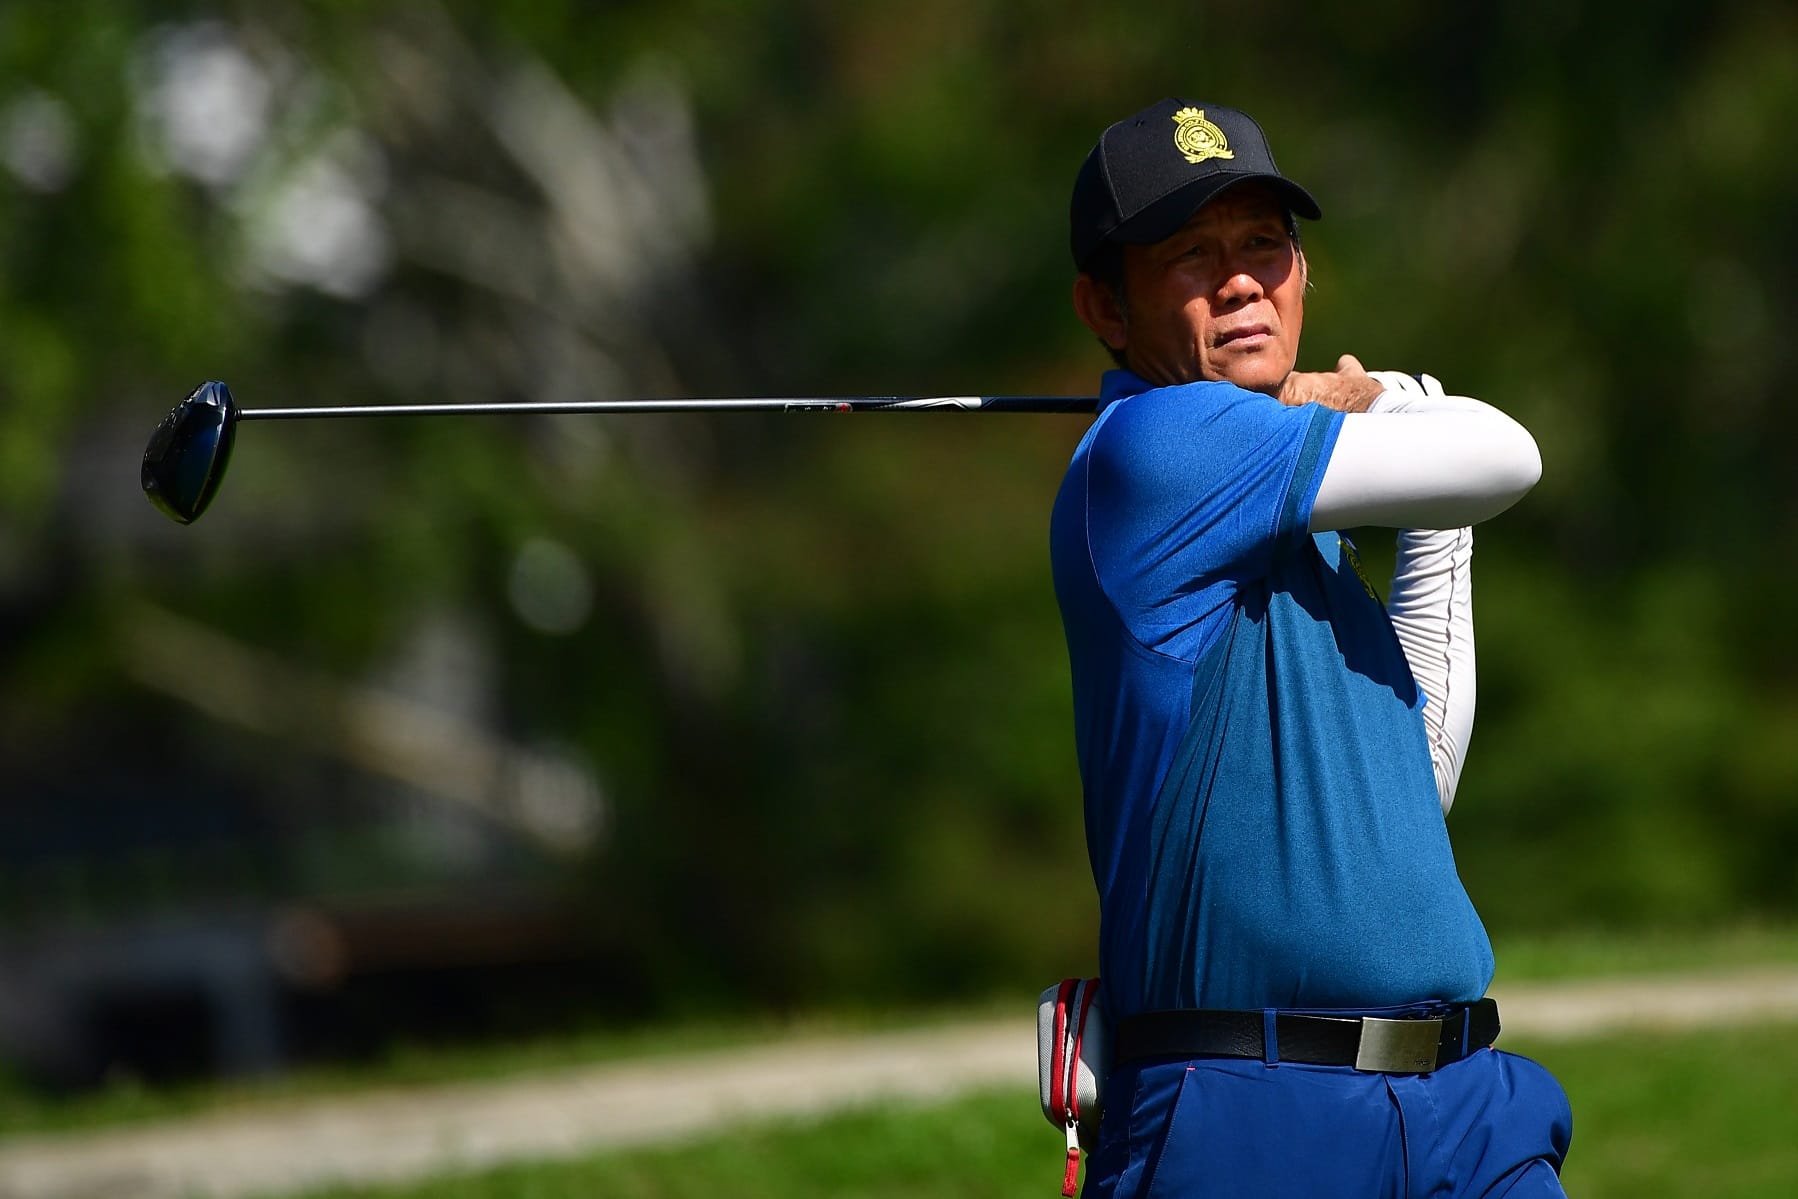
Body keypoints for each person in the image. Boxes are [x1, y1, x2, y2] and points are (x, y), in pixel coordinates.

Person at [1050, 98, 1572, 1198]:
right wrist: (1395, 413)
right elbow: (1509, 453)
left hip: (1463, 1101)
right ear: (1106, 305)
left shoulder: (1291, 501)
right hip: (1254, 1113)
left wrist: (1429, 516)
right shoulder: (1157, 445)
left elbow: (1411, 778)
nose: (1238, 280)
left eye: (1262, 244)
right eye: (1188, 254)